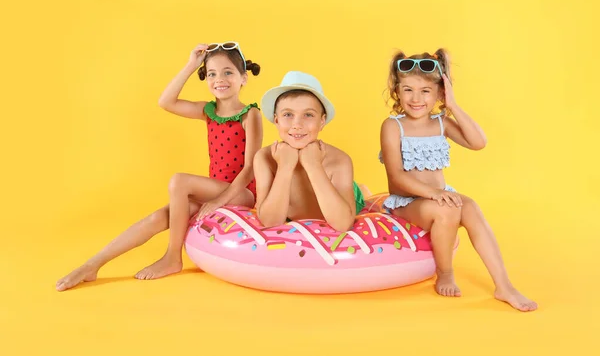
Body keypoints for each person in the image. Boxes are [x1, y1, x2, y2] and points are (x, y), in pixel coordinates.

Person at [56, 42, 263, 291]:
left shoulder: (250, 114)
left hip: (241, 193)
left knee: (179, 181)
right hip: (215, 191)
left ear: (243, 78)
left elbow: (250, 168)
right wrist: (191, 65)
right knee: (158, 217)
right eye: (212, 73)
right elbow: (166, 101)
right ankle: (93, 264)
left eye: (228, 72)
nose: (220, 79)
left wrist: (219, 201)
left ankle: (172, 257)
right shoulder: (208, 111)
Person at [379, 49, 537, 311]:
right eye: (408, 90)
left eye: (425, 91)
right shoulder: (393, 125)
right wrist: (434, 194)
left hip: (439, 198)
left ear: (440, 93)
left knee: (471, 207)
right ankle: (445, 272)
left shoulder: (441, 123)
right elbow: (395, 178)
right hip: (407, 202)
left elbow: (479, 142)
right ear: (397, 91)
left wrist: (453, 106)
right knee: (447, 208)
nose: (415, 98)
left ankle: (504, 285)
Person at [253, 71, 368, 232]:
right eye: (288, 114)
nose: (297, 124)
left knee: (360, 193)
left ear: (322, 121)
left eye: (308, 115)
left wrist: (313, 165)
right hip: (293, 213)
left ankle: (361, 190)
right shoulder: (264, 158)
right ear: (276, 120)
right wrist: (285, 167)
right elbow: (270, 221)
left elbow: (342, 224)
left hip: (343, 200)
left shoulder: (340, 160)